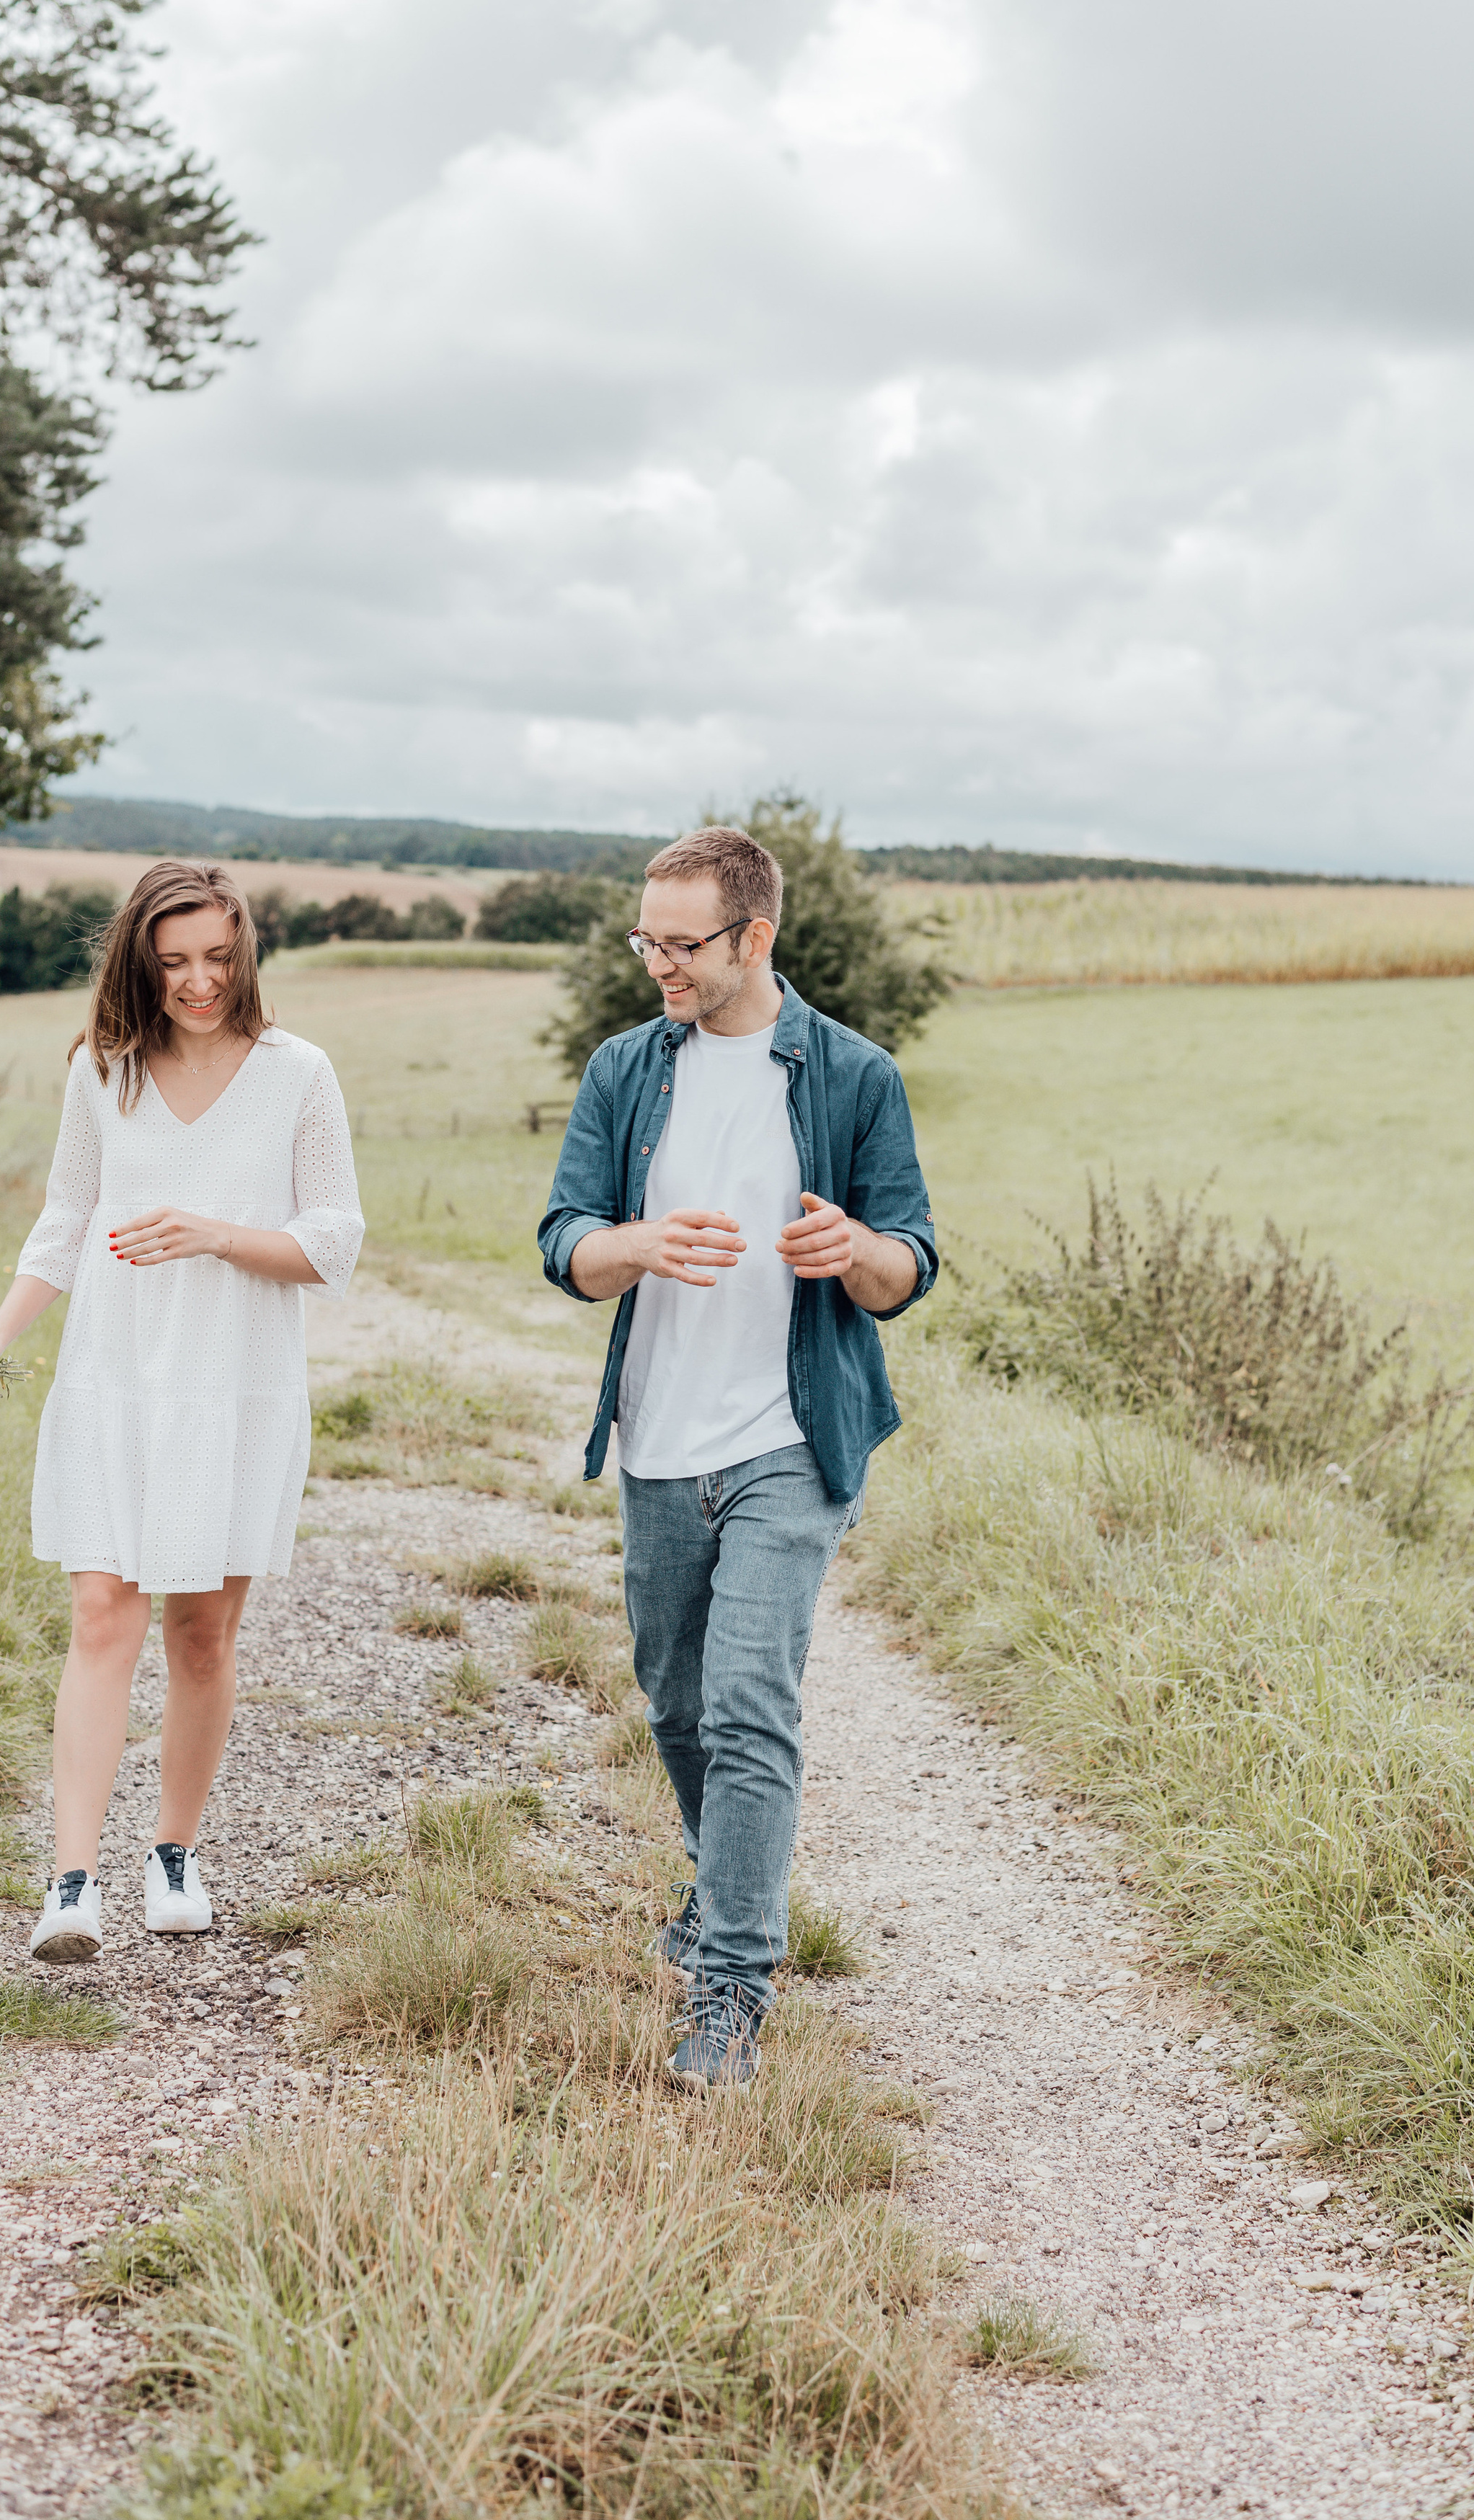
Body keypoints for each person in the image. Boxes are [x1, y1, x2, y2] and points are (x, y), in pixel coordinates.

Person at [539, 824, 938, 2090]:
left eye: (682, 943)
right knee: (676, 1702)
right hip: (660, 1438)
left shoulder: (853, 1074)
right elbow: (563, 1239)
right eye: (646, 940)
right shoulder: (624, 1068)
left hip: (791, 1438)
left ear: (754, 936)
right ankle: (720, 1880)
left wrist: (855, 1252)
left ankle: (730, 1990)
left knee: (749, 1701)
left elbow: (909, 1263)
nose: (659, 962)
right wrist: (637, 1244)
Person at [0, 860, 364, 1964]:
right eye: (175, 961)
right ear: (141, 962)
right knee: (102, 1612)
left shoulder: (298, 1073)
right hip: (117, 1378)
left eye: (218, 957)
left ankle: (173, 1854)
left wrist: (215, 1234)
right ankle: (71, 1883)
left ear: (246, 952)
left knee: (200, 1632)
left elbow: (333, 1240)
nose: (198, 981)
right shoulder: (103, 1070)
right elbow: (65, 1219)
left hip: (235, 1386)